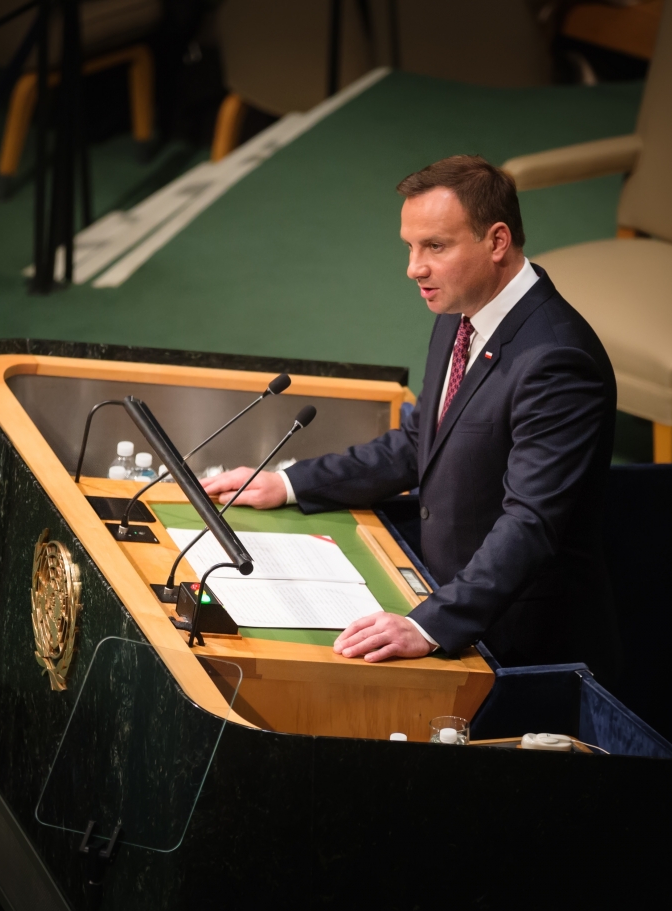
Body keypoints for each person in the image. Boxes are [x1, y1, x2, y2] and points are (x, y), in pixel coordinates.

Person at [201, 155, 621, 679]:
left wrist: (429, 626)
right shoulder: (461, 314)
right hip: (441, 589)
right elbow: (422, 441)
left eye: (435, 247)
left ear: (496, 242)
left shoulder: (556, 361)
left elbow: (530, 525)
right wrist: (289, 484)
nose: (413, 267)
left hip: (519, 647)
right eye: (410, 247)